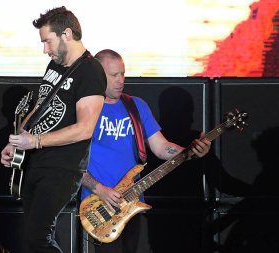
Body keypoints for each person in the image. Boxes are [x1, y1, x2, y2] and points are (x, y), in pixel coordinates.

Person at [80, 49, 212, 253]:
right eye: (114, 75)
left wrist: (191, 151)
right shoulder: (84, 107)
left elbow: (161, 148)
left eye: (123, 73)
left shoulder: (135, 106)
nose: (120, 80)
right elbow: (68, 162)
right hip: (98, 206)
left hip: (131, 204)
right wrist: (99, 189)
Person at [0, 6, 107, 253]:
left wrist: (35, 141)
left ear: (66, 33)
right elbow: (39, 106)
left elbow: (85, 129)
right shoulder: (56, 65)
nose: (45, 49)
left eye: (47, 41)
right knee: (30, 238)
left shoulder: (91, 71)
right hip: (36, 161)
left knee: (38, 238)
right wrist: (15, 142)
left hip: (62, 168)